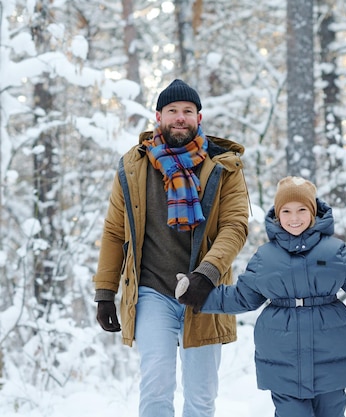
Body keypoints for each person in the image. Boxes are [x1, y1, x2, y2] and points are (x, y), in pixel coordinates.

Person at [175, 176, 346, 417]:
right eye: (287, 211)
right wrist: (199, 296)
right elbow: (242, 297)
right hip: (283, 360)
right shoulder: (265, 258)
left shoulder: (335, 252)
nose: (295, 218)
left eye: (302, 209)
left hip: (331, 358)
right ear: (277, 215)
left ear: (313, 212)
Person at [93, 79, 249, 417]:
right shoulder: (133, 167)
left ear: (199, 117)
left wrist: (206, 275)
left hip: (206, 293)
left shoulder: (225, 166)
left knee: (201, 396)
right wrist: (105, 291)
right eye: (173, 111)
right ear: (159, 116)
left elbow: (235, 227)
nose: (180, 118)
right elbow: (114, 231)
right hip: (153, 292)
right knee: (155, 389)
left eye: (187, 112)